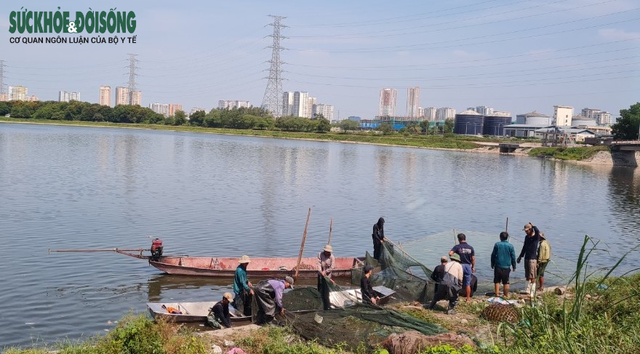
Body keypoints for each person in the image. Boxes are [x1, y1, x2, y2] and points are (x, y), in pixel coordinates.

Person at [449, 233, 475, 302]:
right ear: (465, 238)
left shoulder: (457, 247)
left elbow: (450, 253)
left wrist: (456, 255)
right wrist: (472, 267)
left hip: (459, 265)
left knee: (457, 282)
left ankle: (456, 296)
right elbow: (473, 259)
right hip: (468, 266)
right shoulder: (470, 247)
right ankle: (468, 299)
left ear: (458, 239)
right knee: (467, 283)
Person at [517, 222, 541, 294]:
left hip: (532, 259)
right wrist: (520, 256)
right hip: (527, 258)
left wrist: (534, 226)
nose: (526, 232)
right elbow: (524, 247)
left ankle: (532, 291)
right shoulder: (526, 237)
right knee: (527, 275)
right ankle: (527, 290)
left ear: (531, 229)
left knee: (532, 276)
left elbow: (537, 231)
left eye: (527, 230)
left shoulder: (536, 237)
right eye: (525, 231)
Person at [490, 231, 517, 297]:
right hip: (506, 266)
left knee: (497, 281)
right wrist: (514, 266)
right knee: (506, 281)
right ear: (507, 238)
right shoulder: (510, 246)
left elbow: (493, 255)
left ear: (500, 237)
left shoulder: (497, 244)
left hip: (498, 265)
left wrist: (492, 263)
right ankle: (506, 295)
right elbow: (513, 257)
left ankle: (497, 294)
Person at [318, 244, 336, 310]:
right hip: (320, 275)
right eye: (327, 252)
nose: (328, 253)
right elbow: (318, 264)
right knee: (319, 288)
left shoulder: (332, 257)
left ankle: (327, 305)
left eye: (329, 252)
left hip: (327, 276)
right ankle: (320, 302)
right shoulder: (320, 254)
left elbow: (332, 267)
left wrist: (325, 272)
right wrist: (320, 271)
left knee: (326, 291)